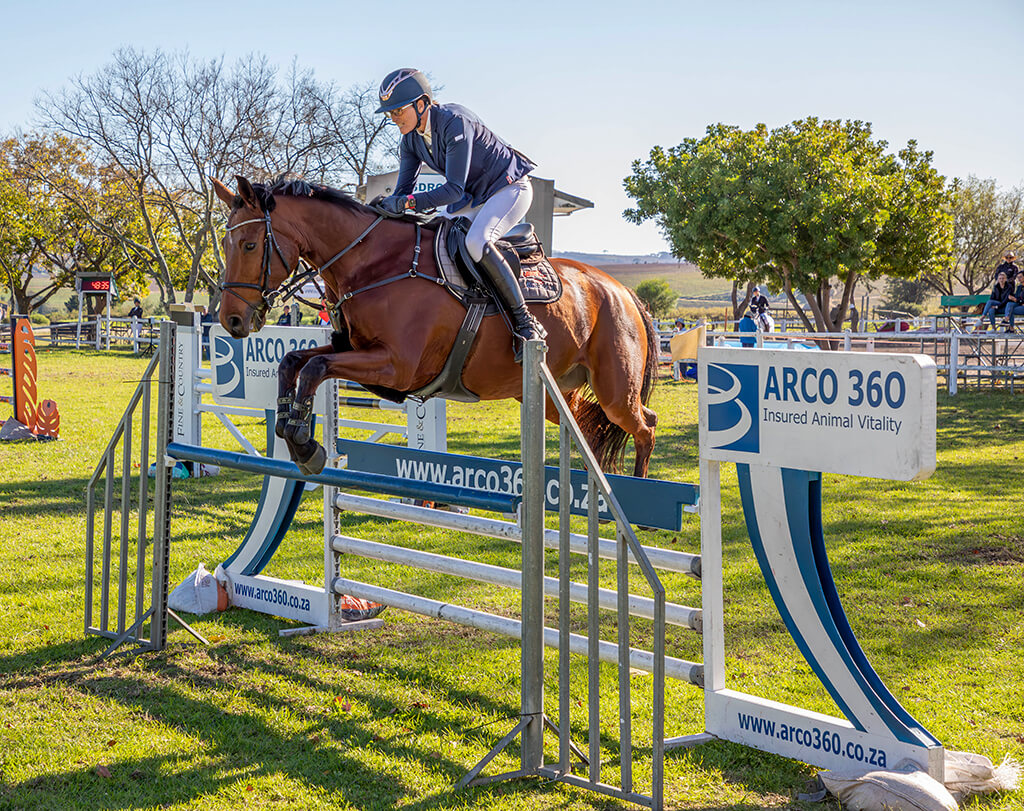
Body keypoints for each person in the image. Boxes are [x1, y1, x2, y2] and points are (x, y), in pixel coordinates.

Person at [373, 68, 544, 362]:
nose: (394, 118)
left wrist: (404, 205)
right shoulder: (411, 140)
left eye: (398, 110)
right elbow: (404, 192)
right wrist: (382, 208)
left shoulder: (454, 123)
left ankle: (525, 322)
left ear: (422, 104)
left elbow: (452, 190)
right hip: (474, 197)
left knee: (476, 241)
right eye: (390, 113)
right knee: (435, 241)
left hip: (508, 188)